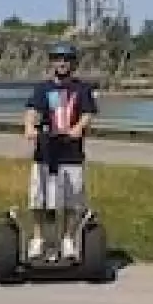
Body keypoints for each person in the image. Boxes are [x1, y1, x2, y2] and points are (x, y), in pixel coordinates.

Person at [23, 42, 98, 260]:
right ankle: (38, 239)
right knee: (39, 198)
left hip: (71, 153)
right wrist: (29, 127)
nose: (62, 63)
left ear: (73, 63)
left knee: (73, 200)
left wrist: (78, 128)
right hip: (45, 152)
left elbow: (87, 113)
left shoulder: (81, 89)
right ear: (52, 62)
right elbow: (32, 110)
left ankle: (67, 239)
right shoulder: (42, 89)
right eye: (58, 59)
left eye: (66, 60)